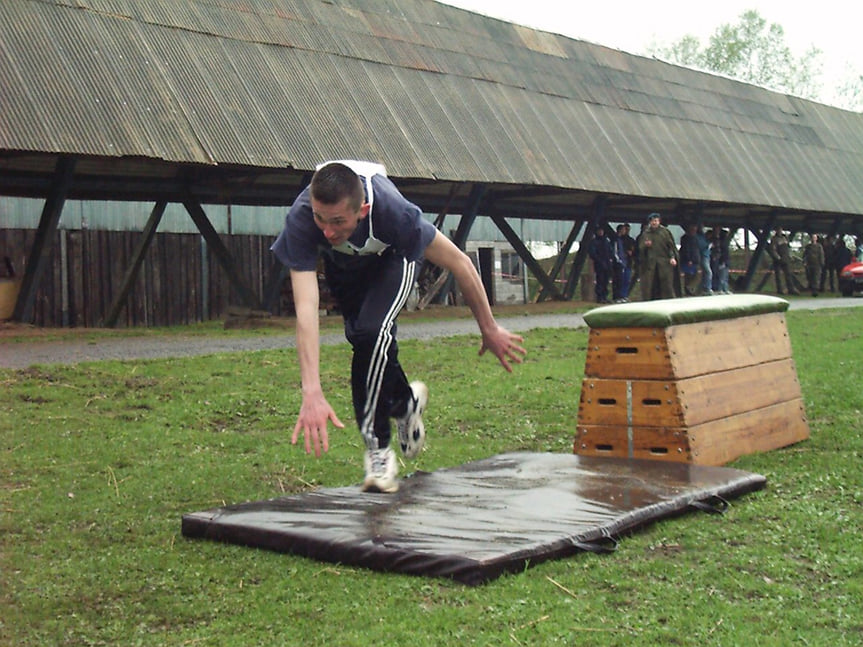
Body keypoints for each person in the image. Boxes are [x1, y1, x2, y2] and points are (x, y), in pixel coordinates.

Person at [271, 161, 526, 493]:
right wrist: (312, 391)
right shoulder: (303, 219)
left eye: (338, 221)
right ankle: (405, 404)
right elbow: (306, 309)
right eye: (321, 218)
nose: (327, 232)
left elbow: (460, 263)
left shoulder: (397, 215)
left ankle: (378, 451)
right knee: (365, 339)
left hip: (395, 259)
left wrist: (489, 328)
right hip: (346, 268)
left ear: (362, 210)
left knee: (372, 333)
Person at [637, 213, 678, 300]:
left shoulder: (665, 232)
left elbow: (671, 246)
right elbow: (640, 249)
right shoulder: (646, 233)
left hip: (664, 262)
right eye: (652, 221)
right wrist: (645, 246)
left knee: (666, 284)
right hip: (650, 263)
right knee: (650, 283)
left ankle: (668, 300)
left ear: (659, 221)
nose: (654, 223)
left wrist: (672, 257)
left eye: (656, 221)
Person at [587, 223, 615, 303]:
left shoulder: (606, 241)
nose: (601, 232)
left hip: (607, 264)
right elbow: (592, 253)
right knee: (600, 281)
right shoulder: (594, 242)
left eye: (602, 231)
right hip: (599, 264)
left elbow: (611, 251)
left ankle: (604, 296)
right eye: (599, 231)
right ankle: (600, 297)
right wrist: (599, 260)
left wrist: (610, 259)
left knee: (606, 281)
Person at [767, 229, 799, 295]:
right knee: (778, 275)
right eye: (779, 230)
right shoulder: (774, 239)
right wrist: (778, 257)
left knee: (788, 274)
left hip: (786, 258)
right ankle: (780, 290)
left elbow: (788, 248)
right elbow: (773, 249)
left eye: (781, 230)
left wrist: (790, 256)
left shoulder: (785, 238)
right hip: (778, 259)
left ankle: (791, 289)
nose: (780, 231)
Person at [612, 223, 635, 302]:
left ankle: (624, 296)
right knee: (619, 280)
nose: (625, 231)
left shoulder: (629, 240)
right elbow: (615, 251)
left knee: (626, 280)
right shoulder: (616, 239)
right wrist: (619, 261)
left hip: (627, 262)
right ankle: (618, 296)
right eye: (624, 229)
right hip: (620, 263)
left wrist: (631, 253)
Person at [678, 223, 700, 296]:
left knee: (695, 275)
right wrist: (689, 259)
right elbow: (686, 249)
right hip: (688, 261)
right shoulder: (686, 238)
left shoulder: (695, 238)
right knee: (688, 276)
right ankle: (687, 290)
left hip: (695, 260)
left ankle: (689, 289)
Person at [696, 224, 713, 295]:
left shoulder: (705, 238)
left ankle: (700, 289)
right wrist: (708, 246)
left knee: (705, 274)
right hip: (703, 257)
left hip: (707, 257)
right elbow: (702, 247)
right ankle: (707, 288)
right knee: (709, 273)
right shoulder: (700, 238)